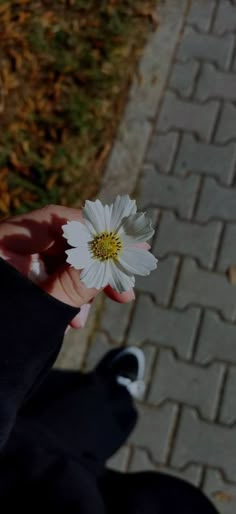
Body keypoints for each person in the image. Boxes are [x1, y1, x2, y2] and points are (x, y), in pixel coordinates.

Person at [0, 204, 218, 513]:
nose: (105, 247)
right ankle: (114, 389)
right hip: (64, 478)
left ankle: (109, 388)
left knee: (67, 412)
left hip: (25, 466)